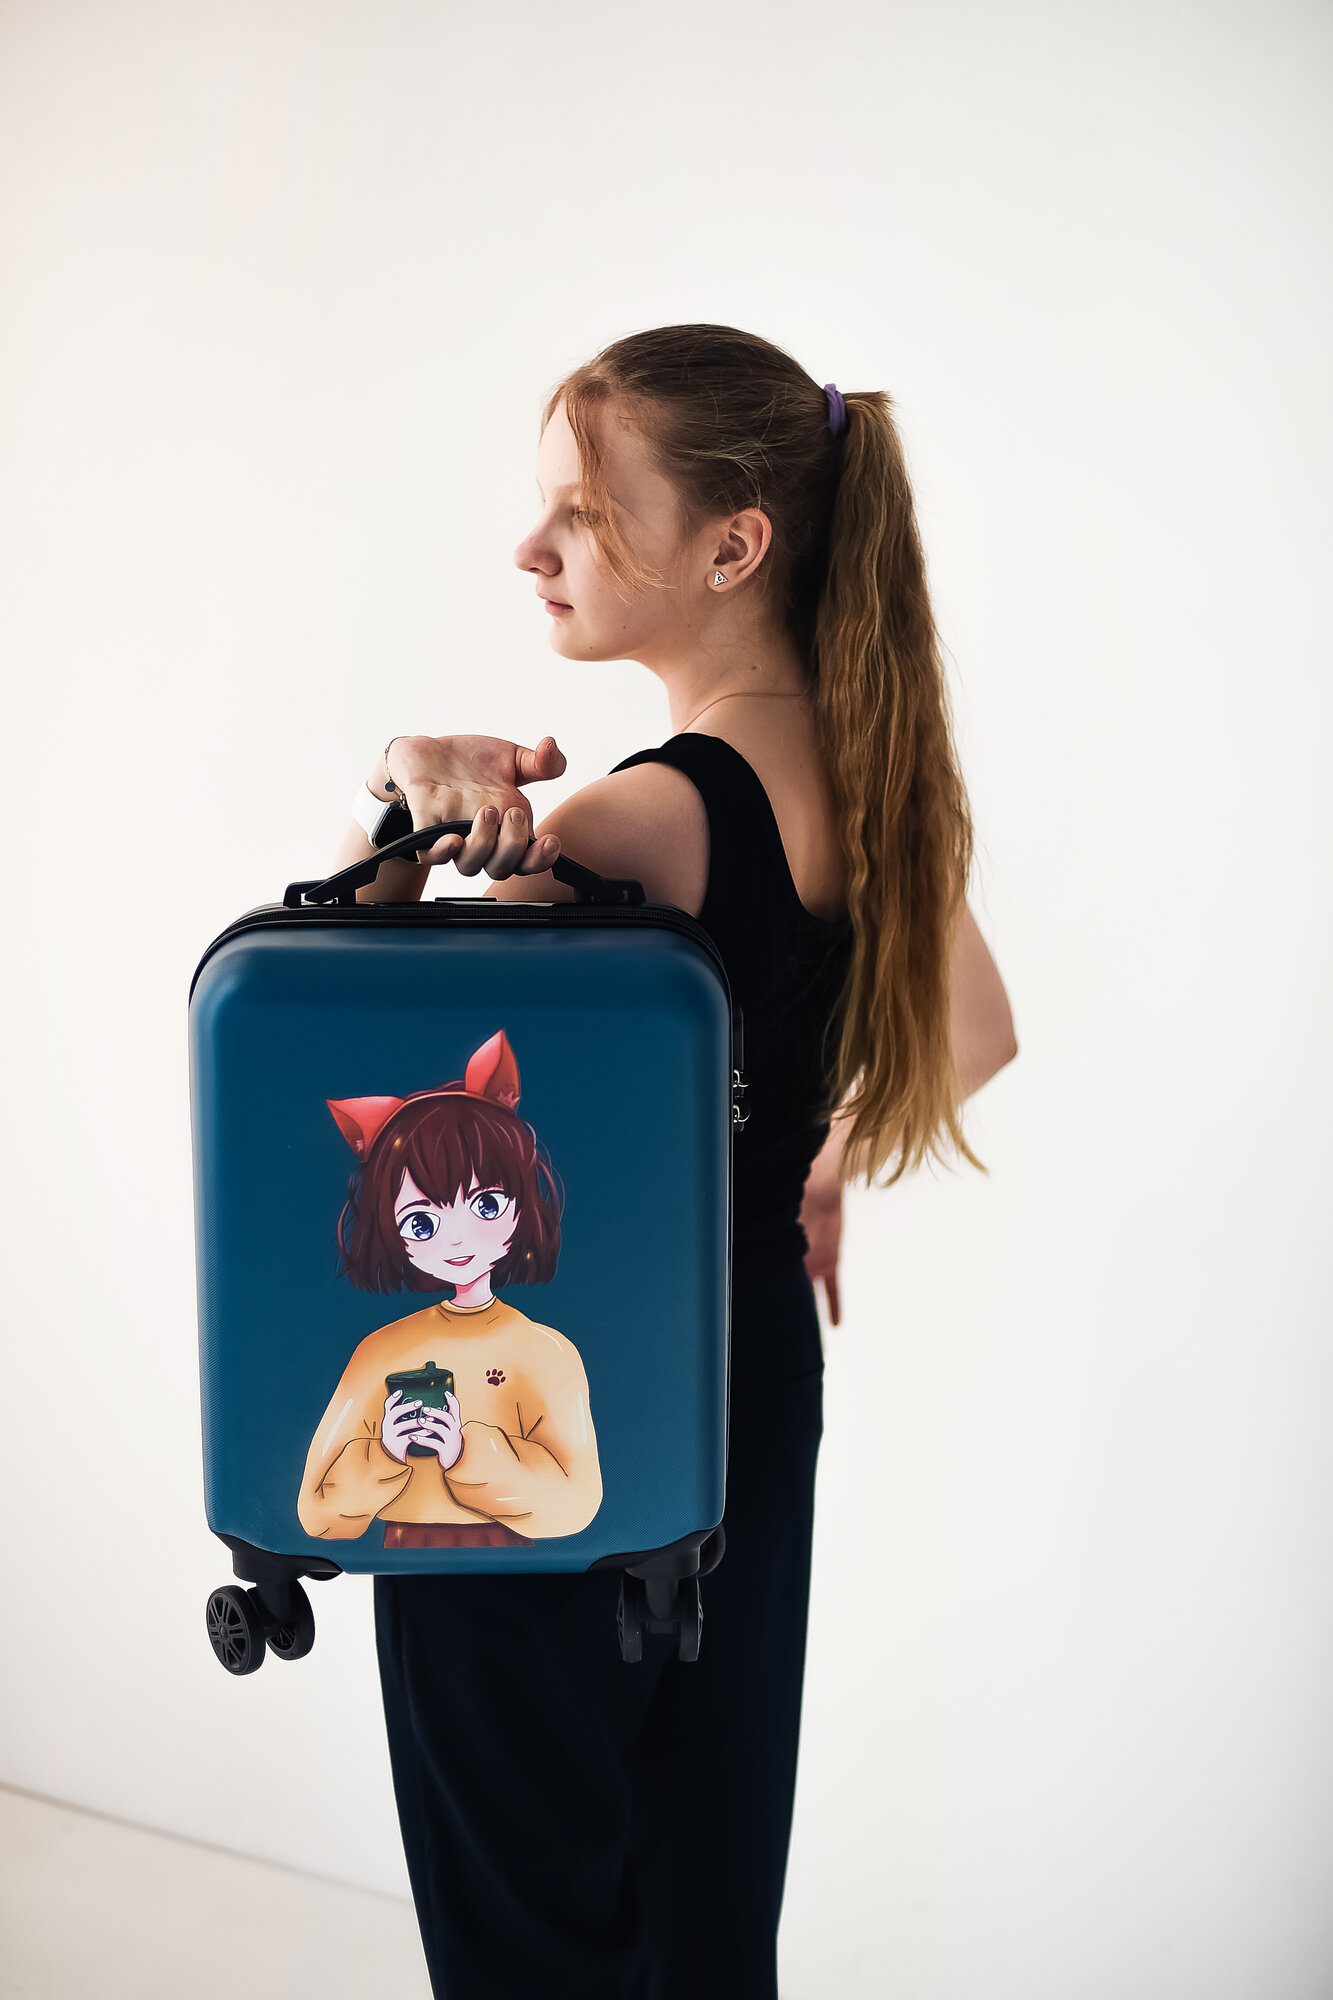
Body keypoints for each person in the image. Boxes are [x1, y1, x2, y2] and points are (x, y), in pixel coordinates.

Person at [323, 324, 1017, 1999]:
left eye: (581, 510)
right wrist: (808, 1166)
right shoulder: (869, 776)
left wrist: (396, 804)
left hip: (536, 1398)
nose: (531, 547)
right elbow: (976, 1027)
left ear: (731, 545)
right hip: (748, 1368)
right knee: (704, 1879)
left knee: (528, 1913)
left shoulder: (635, 823)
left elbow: (369, 1084)